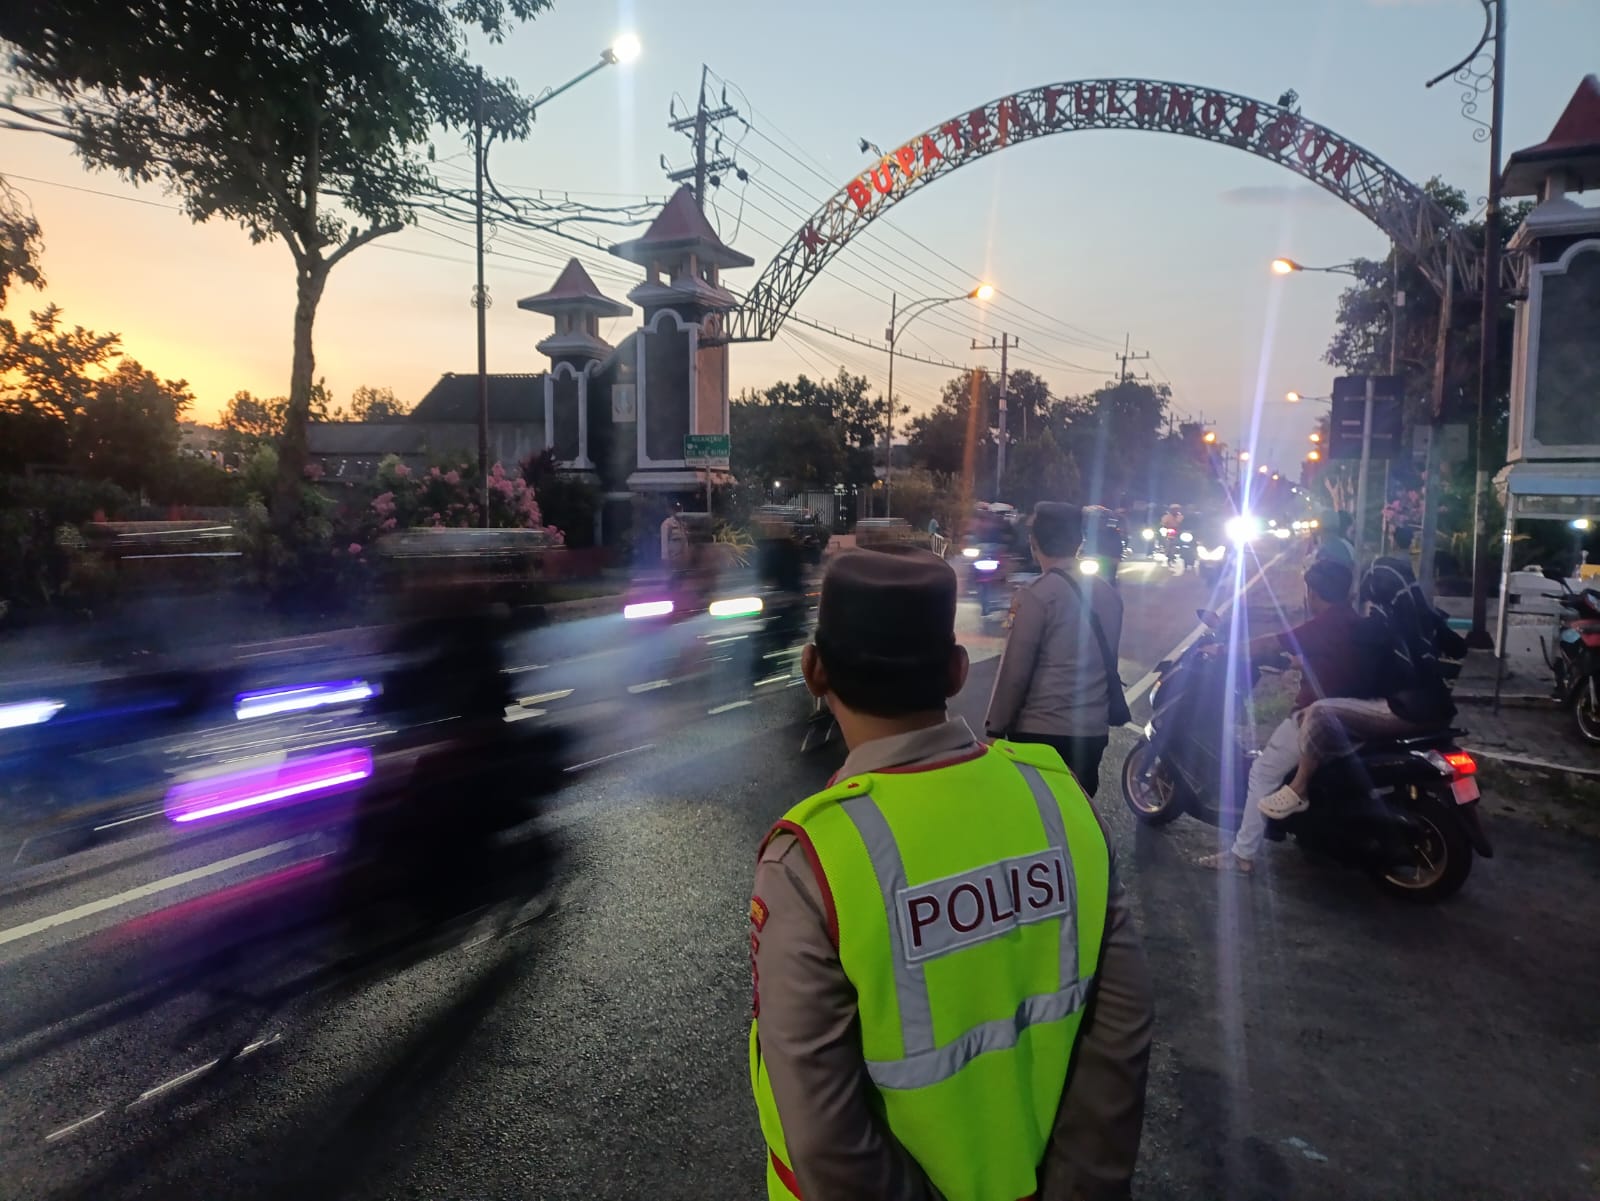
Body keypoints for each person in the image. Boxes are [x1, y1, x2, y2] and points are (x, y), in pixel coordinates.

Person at [749, 547, 1153, 1201]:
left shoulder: (812, 861)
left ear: (813, 670)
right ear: (957, 670)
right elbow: (1121, 1032)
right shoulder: (1061, 802)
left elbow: (827, 1140)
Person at [1196, 559, 1386, 874]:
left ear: (1314, 593)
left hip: (1315, 717)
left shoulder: (1324, 624)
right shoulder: (1352, 620)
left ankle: (1242, 855)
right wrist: (1298, 662)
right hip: (1354, 713)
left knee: (1262, 772)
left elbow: (1270, 642)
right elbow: (1334, 657)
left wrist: (1224, 649)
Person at [1257, 554, 1464, 821]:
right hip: (1441, 713)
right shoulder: (1427, 619)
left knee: (1320, 711)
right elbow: (1460, 649)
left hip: (1402, 712)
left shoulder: (1376, 627)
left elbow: (1358, 682)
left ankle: (1299, 788)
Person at [985, 502, 1125, 797]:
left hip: (1040, 733)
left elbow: (1015, 672)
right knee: (1078, 810)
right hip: (1091, 732)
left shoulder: (1036, 596)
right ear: (1079, 541)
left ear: (1033, 542)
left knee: (1038, 813)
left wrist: (996, 728)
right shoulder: (1108, 594)